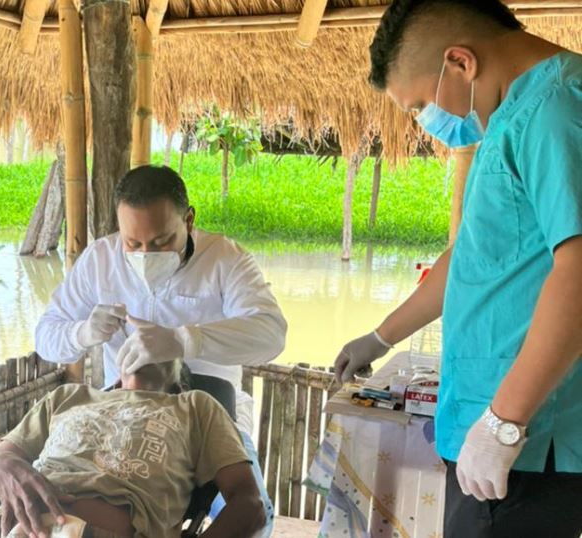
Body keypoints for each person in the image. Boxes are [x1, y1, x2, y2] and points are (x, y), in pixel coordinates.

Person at [333, 1, 582, 536]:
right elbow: (471, 258)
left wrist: (504, 422)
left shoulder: (555, 108)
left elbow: (579, 269)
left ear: (460, 62)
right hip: (492, 426)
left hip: (527, 440)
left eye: (421, 104)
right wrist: (380, 337)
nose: (428, 121)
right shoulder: (509, 119)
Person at [35, 165, 286, 533]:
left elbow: (271, 334)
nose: (145, 254)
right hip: (120, 415)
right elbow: (45, 338)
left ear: (189, 220)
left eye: (161, 242)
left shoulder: (225, 260)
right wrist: (82, 332)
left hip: (210, 414)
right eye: (133, 244)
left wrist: (187, 340)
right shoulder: (99, 260)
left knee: (253, 515)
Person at [0, 360, 266, 538]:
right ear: (118, 378)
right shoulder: (67, 397)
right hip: (7, 530)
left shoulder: (194, 406)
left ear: (179, 385)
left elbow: (250, 504)